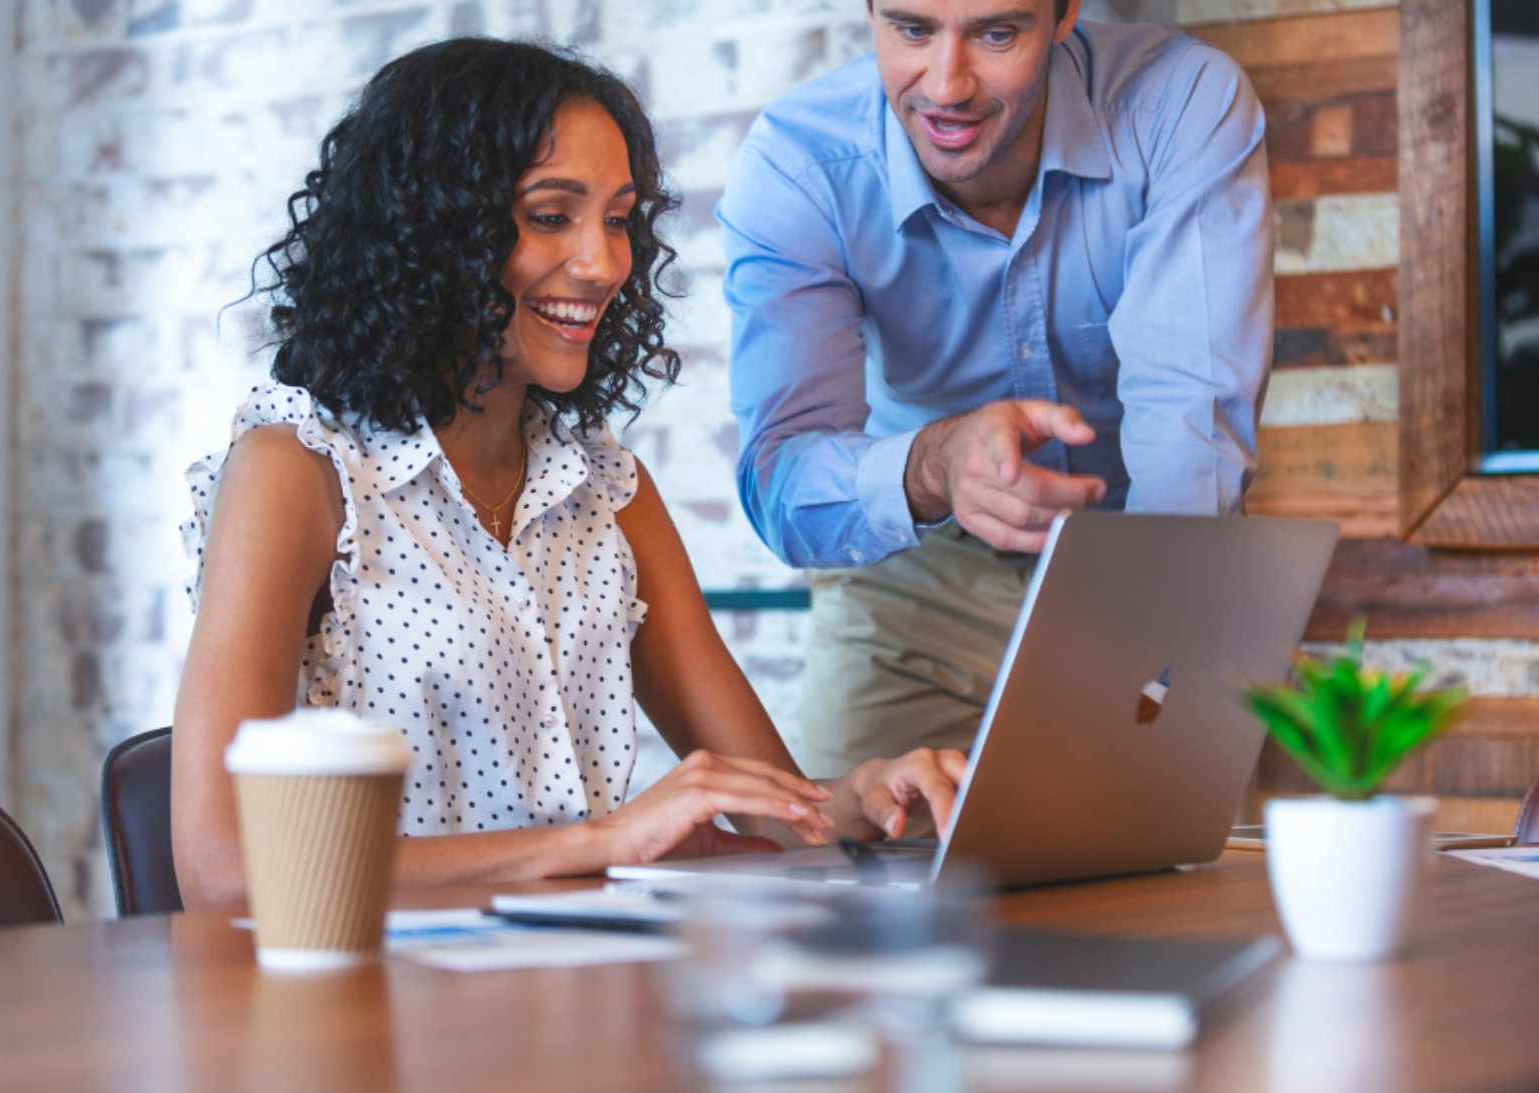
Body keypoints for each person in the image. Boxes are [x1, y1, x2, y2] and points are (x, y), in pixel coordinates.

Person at [172, 39, 965, 911]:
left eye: (619, 219)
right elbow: (223, 867)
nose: (602, 263)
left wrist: (864, 798)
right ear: (436, 231)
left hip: (570, 996)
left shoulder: (606, 490)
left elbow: (783, 812)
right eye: (552, 216)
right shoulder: (299, 470)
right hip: (375, 1011)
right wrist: (600, 844)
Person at [720, 0, 1274, 782]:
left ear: (1065, 14)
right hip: (911, 577)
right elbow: (782, 481)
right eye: (911, 30)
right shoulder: (798, 165)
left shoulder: (1179, 103)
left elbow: (1191, 433)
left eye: (997, 33)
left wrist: (1157, 663)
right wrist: (935, 465)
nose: (946, 86)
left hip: (1140, 552)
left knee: (1171, 881)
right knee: (868, 883)